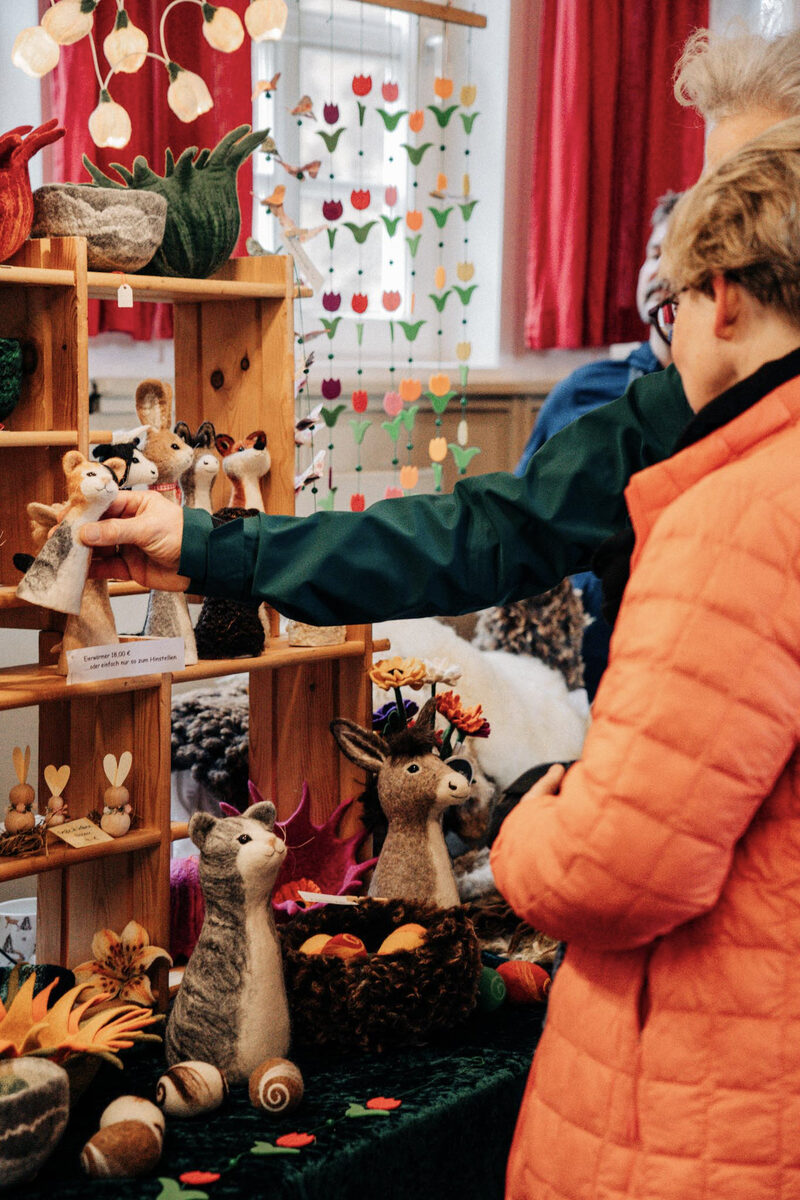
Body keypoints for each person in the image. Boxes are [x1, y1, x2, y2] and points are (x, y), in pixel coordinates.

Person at [81, 28, 800, 630]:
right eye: (711, 196)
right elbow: (486, 534)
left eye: (744, 195)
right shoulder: (678, 405)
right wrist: (204, 544)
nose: (700, 235)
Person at [490, 117, 800, 1200]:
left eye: (672, 309)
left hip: (707, 1097)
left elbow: (618, 867)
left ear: (718, 296)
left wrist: (527, 813)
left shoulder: (737, 514)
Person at [513, 191, 680, 695]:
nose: (659, 271)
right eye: (653, 254)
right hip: (568, 669)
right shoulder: (583, 391)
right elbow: (523, 524)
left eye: (679, 256)